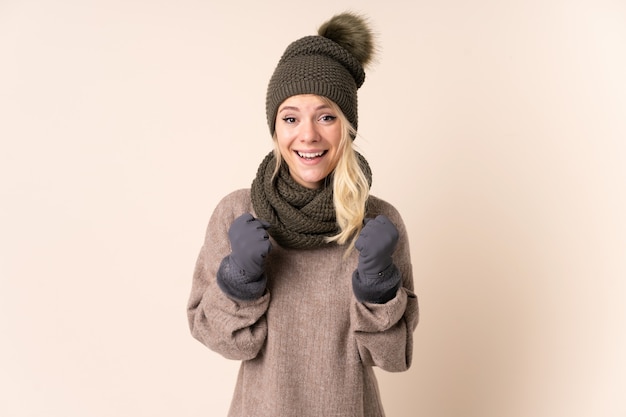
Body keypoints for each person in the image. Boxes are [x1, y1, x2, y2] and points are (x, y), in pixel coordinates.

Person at [187, 12, 419, 417]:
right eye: (290, 117)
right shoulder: (238, 212)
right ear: (276, 129)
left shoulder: (380, 220)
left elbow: (392, 355)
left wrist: (378, 282)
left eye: (326, 116)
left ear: (346, 126)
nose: (308, 134)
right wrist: (240, 276)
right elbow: (223, 340)